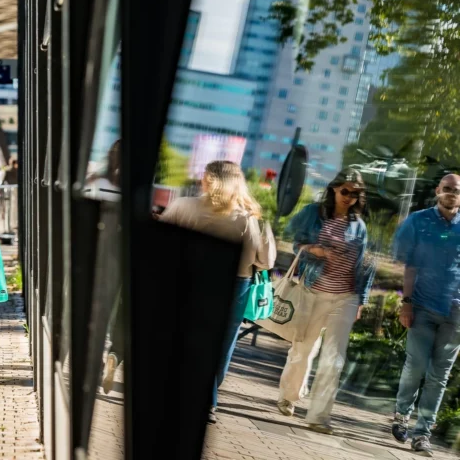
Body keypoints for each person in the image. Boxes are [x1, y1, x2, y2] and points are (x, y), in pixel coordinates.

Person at [160, 161, 274, 423]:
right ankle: (207, 400)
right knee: (222, 347)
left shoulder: (183, 206)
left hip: (189, 278)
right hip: (235, 286)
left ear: (209, 180)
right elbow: (263, 262)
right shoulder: (246, 219)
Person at [276, 169, 372, 434]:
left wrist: (361, 300)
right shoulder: (313, 213)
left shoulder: (359, 226)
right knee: (303, 349)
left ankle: (318, 417)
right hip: (313, 292)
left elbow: (363, 265)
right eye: (345, 191)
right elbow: (292, 238)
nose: (349, 197)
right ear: (334, 189)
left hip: (345, 296)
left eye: (355, 194)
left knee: (334, 358)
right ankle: (289, 396)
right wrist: (310, 249)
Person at [390, 174, 460, 454]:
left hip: (456, 312)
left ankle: (423, 433)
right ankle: (401, 415)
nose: (451, 194)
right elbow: (409, 265)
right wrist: (406, 302)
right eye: (447, 189)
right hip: (421, 305)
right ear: (437, 191)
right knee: (416, 364)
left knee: (439, 375)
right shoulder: (419, 221)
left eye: (456, 190)